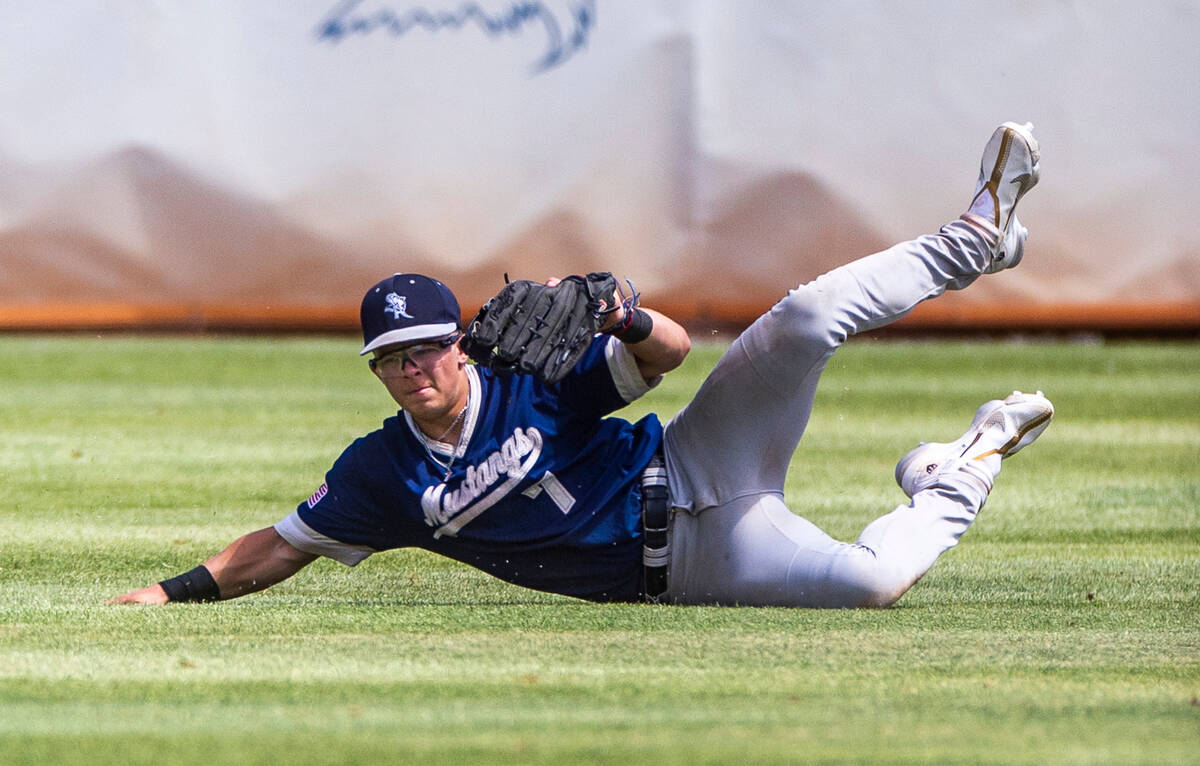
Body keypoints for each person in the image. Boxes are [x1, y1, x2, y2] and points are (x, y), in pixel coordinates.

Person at [109, 122, 1054, 608]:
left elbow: (673, 355)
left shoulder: (529, 374)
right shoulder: (381, 476)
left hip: (694, 461)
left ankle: (977, 235)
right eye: (391, 358)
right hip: (690, 565)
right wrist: (164, 594)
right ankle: (955, 469)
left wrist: (626, 313)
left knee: (805, 318)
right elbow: (279, 548)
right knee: (872, 586)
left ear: (457, 338)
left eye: (428, 345)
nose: (415, 368)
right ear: (376, 372)